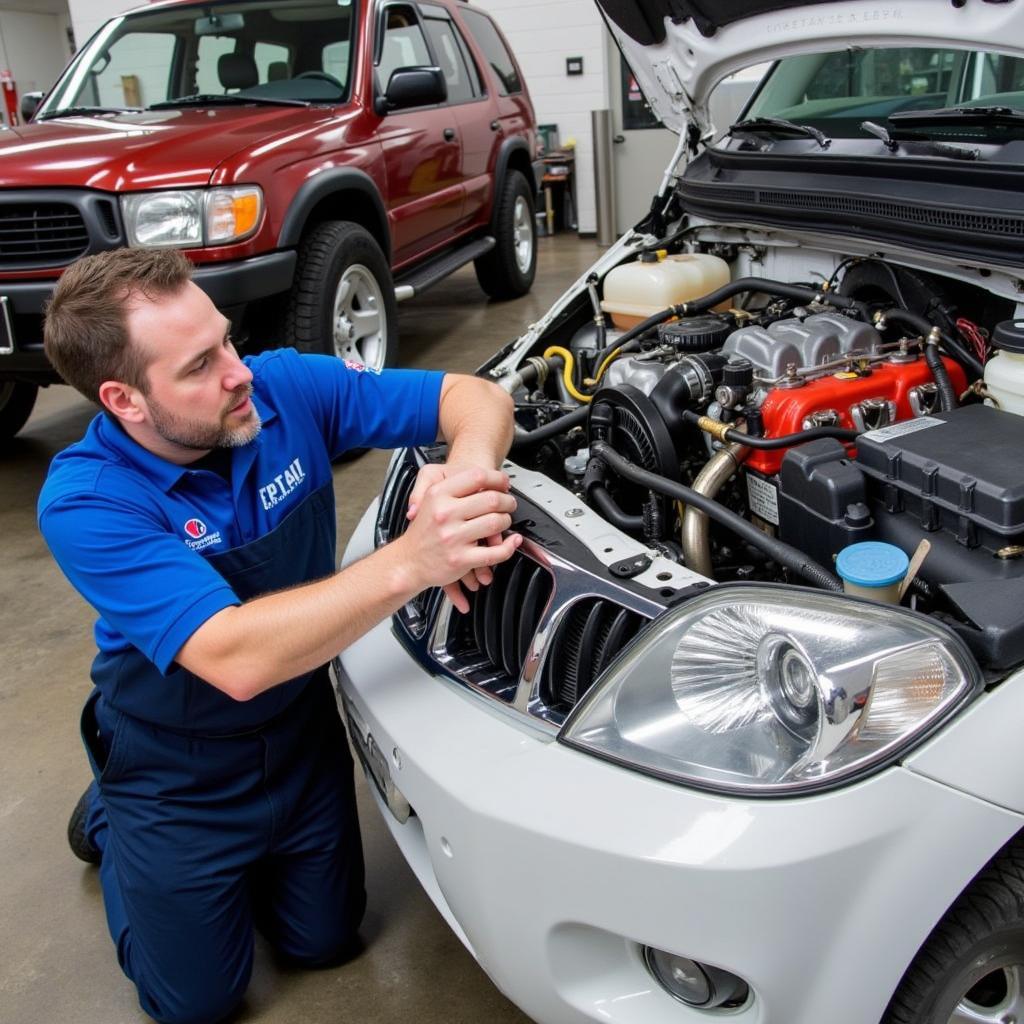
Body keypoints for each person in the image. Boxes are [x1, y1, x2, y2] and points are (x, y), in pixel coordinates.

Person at [37, 247, 521, 1024]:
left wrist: (463, 476)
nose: (238, 374)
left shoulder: (284, 387)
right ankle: (115, 819)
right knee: (196, 1003)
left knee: (326, 943)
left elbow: (474, 396)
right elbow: (236, 658)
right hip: (177, 770)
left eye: (226, 340)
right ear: (125, 400)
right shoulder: (88, 501)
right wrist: (416, 558)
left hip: (298, 733)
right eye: (200, 365)